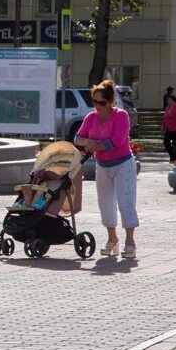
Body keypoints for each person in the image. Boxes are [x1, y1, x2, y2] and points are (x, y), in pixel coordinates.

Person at [75, 79, 139, 259]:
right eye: (94, 102)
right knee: (105, 204)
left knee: (125, 202)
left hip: (122, 164)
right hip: (102, 166)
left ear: (111, 102)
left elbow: (116, 142)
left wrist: (93, 145)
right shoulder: (91, 117)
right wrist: (88, 142)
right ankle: (112, 239)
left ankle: (130, 242)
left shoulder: (121, 116)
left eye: (101, 103)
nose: (97, 106)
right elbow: (77, 138)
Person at [162, 94, 176, 162]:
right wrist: (163, 126)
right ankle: (172, 155)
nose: (167, 101)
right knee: (166, 142)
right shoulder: (167, 108)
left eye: (169, 100)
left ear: (173, 100)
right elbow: (165, 118)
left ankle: (175, 157)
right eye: (167, 100)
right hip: (168, 129)